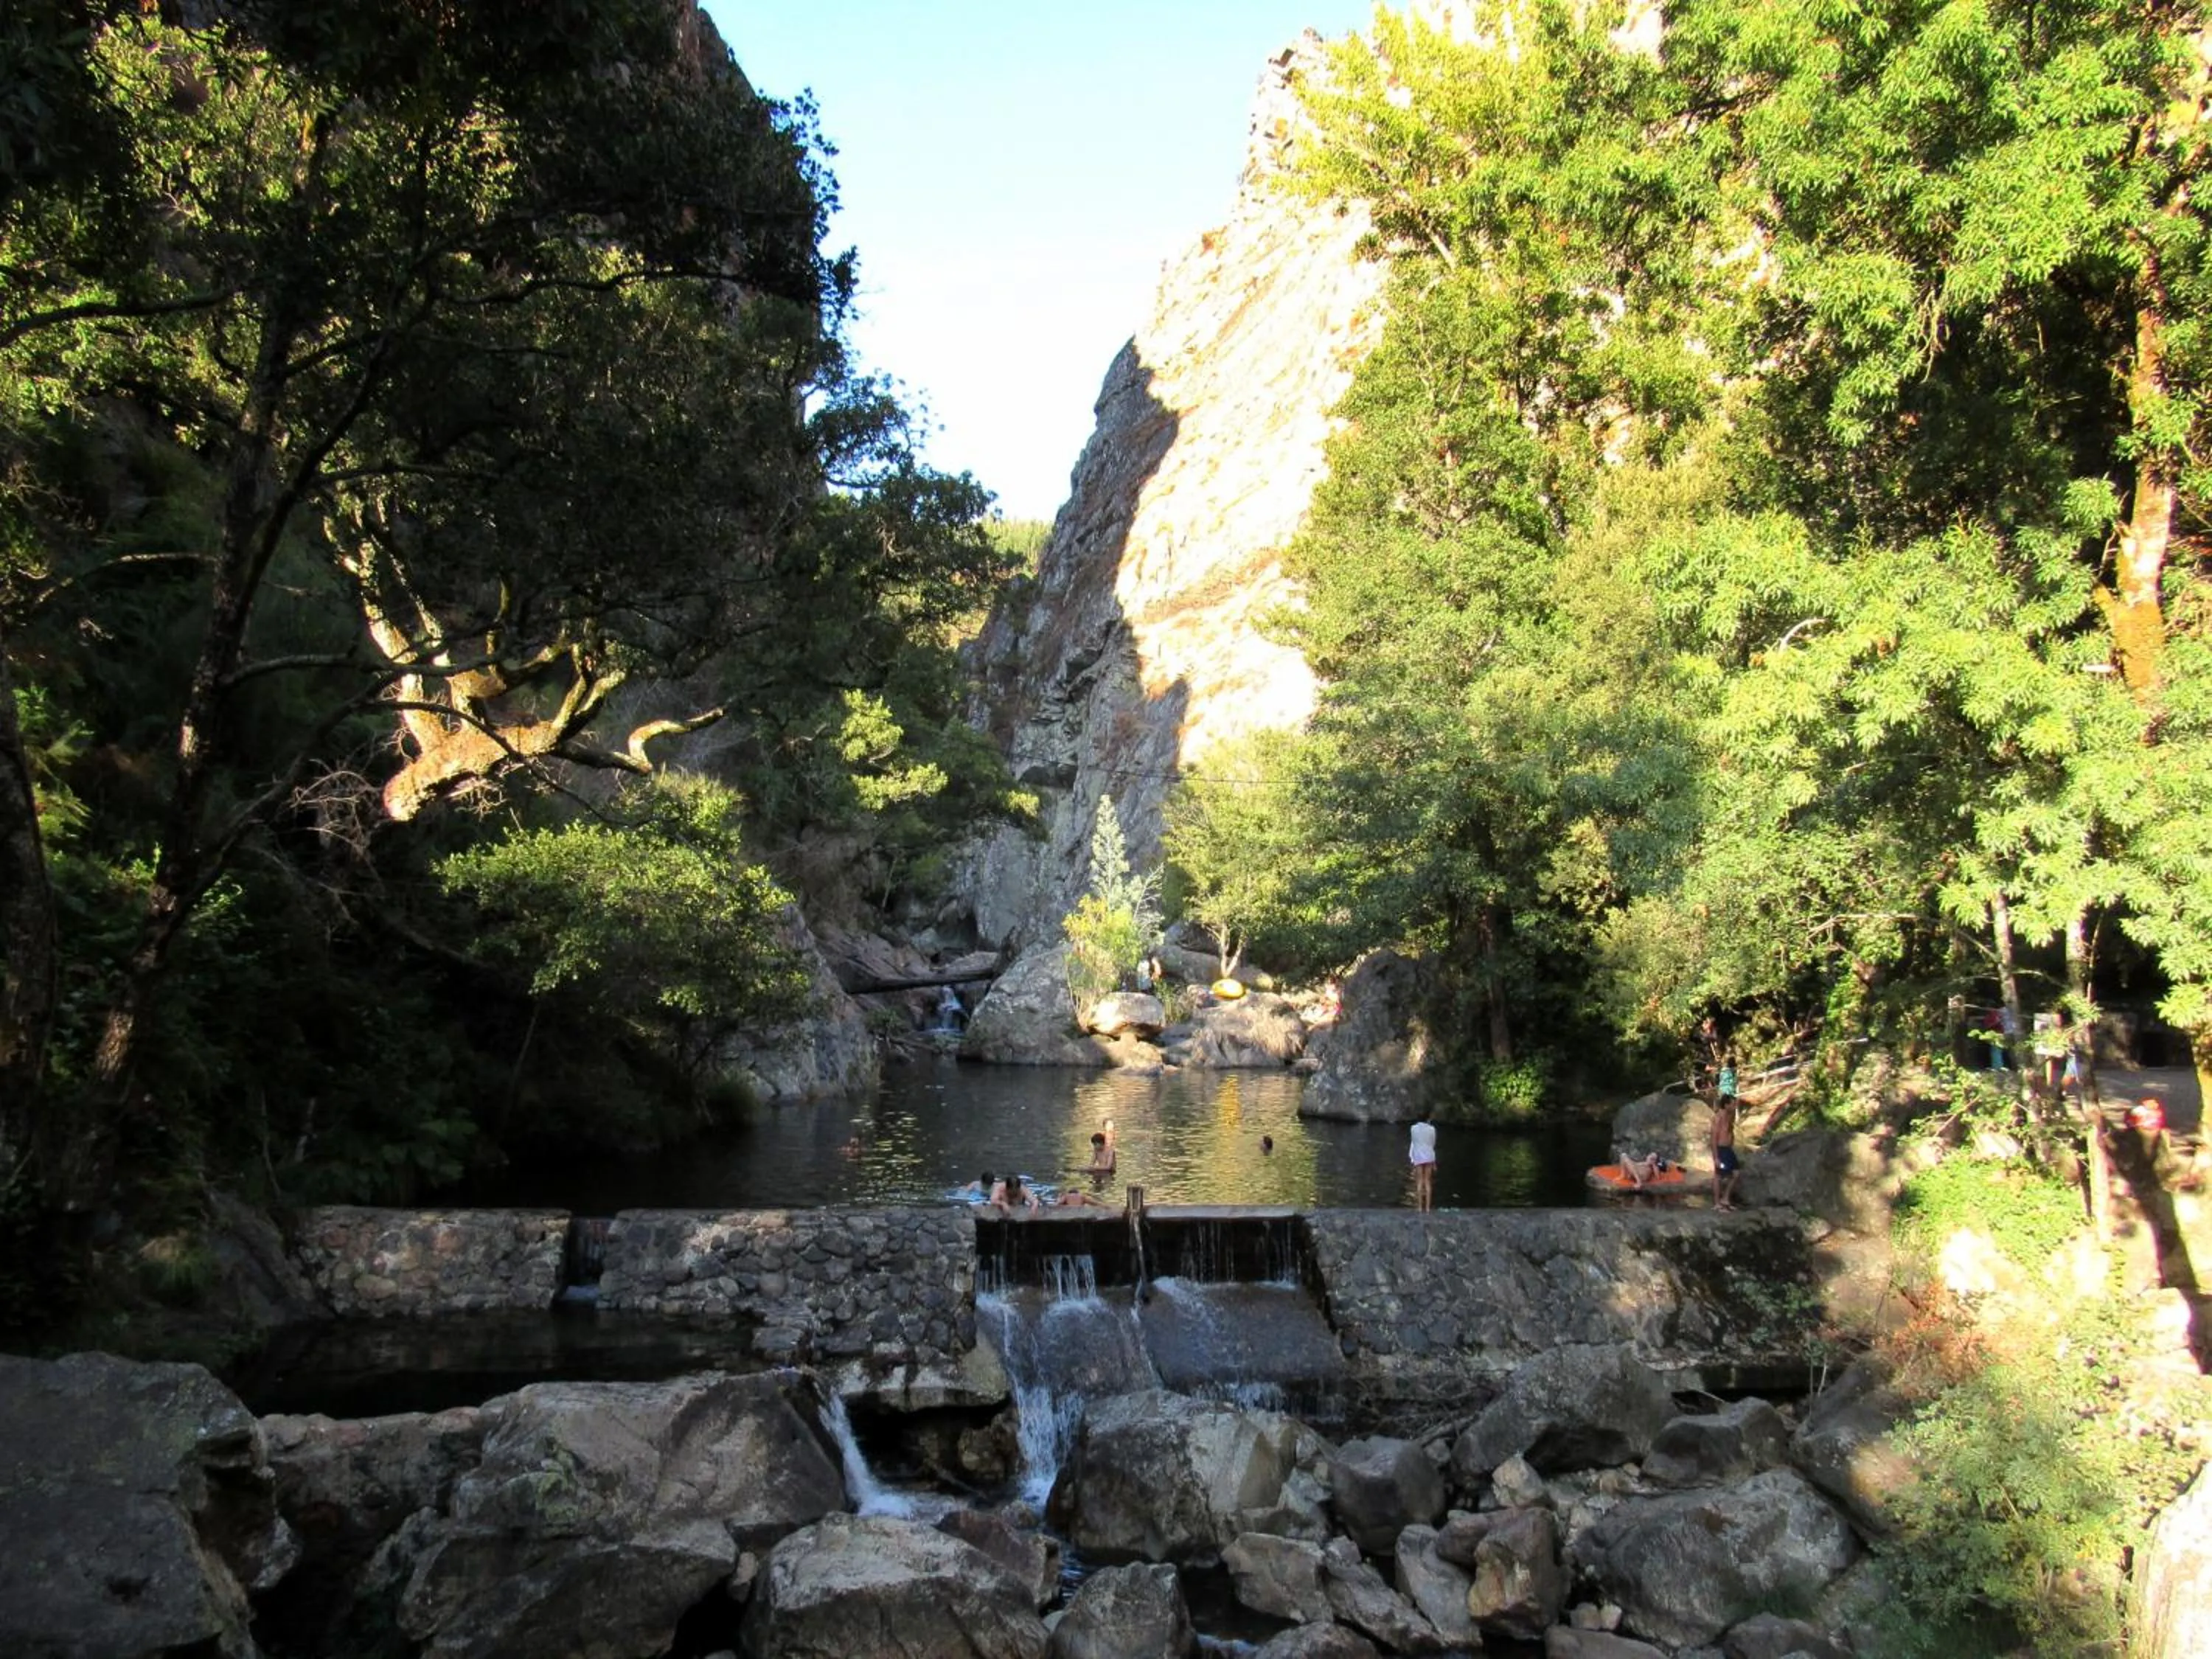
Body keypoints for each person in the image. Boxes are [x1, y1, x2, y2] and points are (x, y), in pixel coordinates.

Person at [1711, 1091, 1741, 1211]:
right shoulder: (1718, 1117)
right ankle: (1717, 1203)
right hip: (1721, 1149)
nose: (1735, 1107)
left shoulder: (1729, 1115)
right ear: (1726, 1105)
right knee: (1718, 1176)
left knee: (1736, 1173)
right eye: (1733, 1105)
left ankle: (1725, 1199)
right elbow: (1713, 1138)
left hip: (1728, 1149)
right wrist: (1716, 1157)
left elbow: (1729, 1132)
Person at [1408, 1116, 1436, 1211]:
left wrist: (1412, 1158)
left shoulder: (1413, 1128)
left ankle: (1420, 1207)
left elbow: (1414, 1143)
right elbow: (1433, 1144)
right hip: (1429, 1156)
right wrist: (1434, 1162)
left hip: (1418, 1156)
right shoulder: (1432, 1129)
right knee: (1427, 1181)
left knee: (1419, 1181)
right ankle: (1428, 1208)